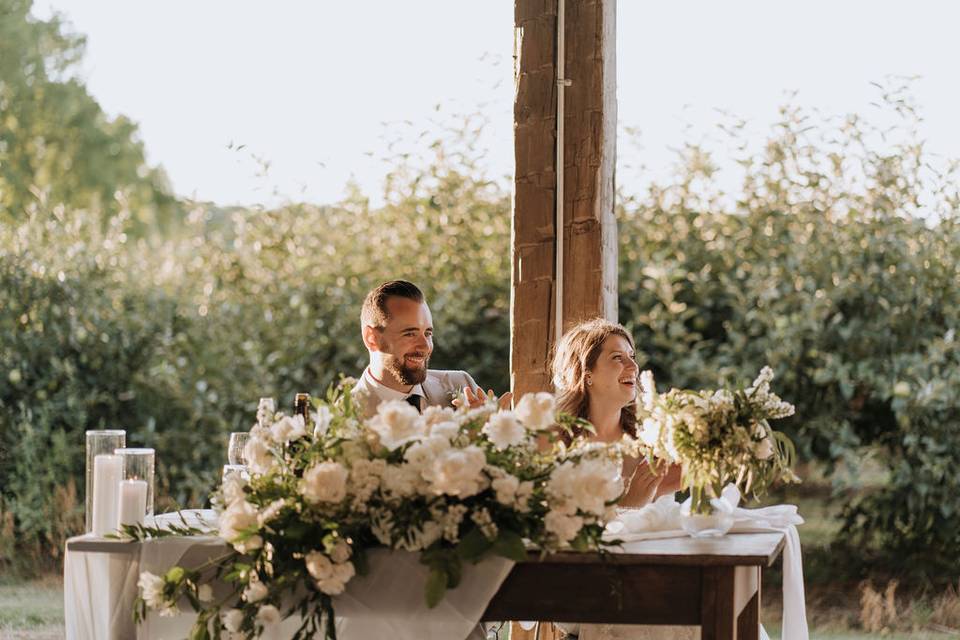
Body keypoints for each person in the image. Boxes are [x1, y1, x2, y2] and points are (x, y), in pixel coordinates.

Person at [551, 318, 694, 640]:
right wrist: (625, 506)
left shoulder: (650, 438)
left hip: (654, 571)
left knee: (715, 602)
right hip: (584, 583)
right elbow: (551, 531)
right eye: (617, 357)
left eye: (632, 356)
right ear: (585, 373)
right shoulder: (556, 443)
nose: (632, 364)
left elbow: (687, 478)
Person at [351, 279, 509, 417]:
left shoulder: (461, 384)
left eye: (427, 333)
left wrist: (489, 431)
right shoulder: (344, 419)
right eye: (410, 334)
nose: (426, 346)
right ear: (371, 338)